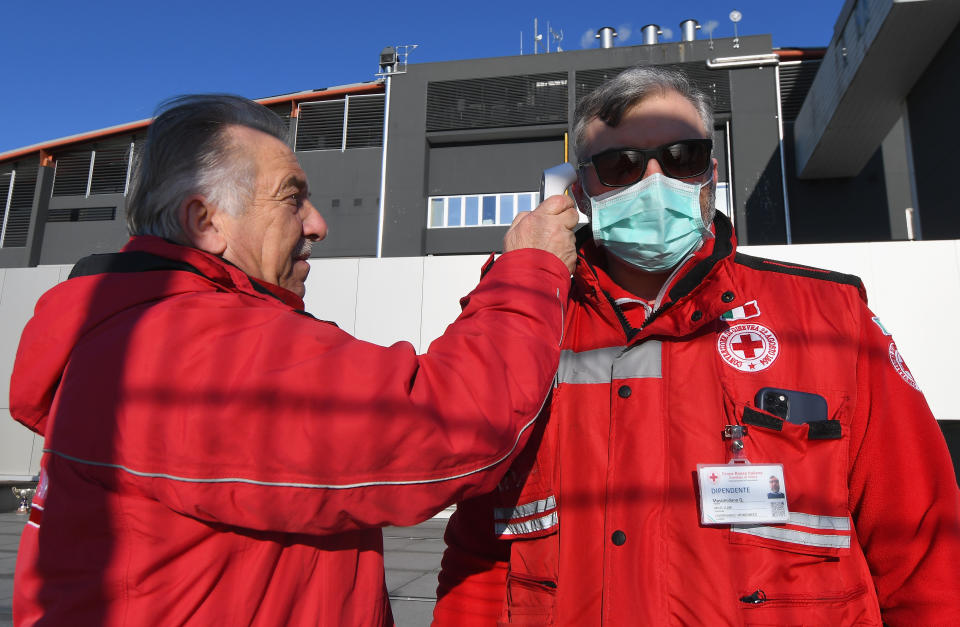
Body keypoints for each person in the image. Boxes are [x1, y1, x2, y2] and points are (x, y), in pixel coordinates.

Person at [9, 94, 579, 626]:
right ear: (204, 222)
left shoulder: (136, 331)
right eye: (291, 197)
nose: (317, 224)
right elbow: (452, 425)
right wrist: (530, 271)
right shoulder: (185, 345)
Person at [434, 66, 960, 625]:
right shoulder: (521, 323)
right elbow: (478, 554)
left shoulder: (832, 316)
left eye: (681, 157)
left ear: (710, 171)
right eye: (620, 166)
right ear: (577, 189)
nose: (654, 182)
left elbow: (923, 543)